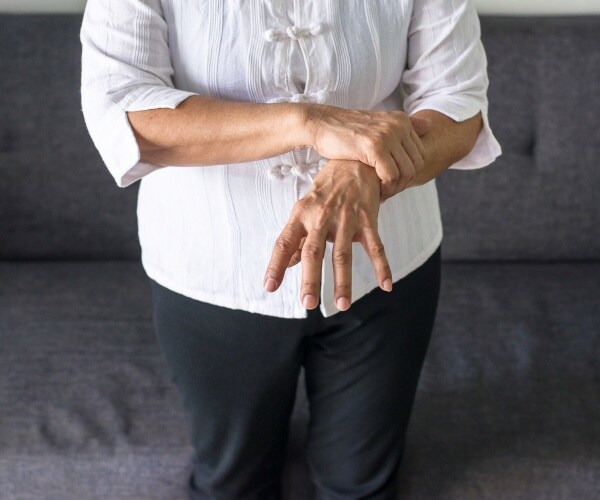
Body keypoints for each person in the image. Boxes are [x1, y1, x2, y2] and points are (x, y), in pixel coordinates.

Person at [80, 0, 501, 498]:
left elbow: (460, 103)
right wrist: (307, 122)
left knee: (361, 485)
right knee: (232, 484)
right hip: (216, 271)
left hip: (386, 266)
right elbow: (126, 111)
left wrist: (366, 169)